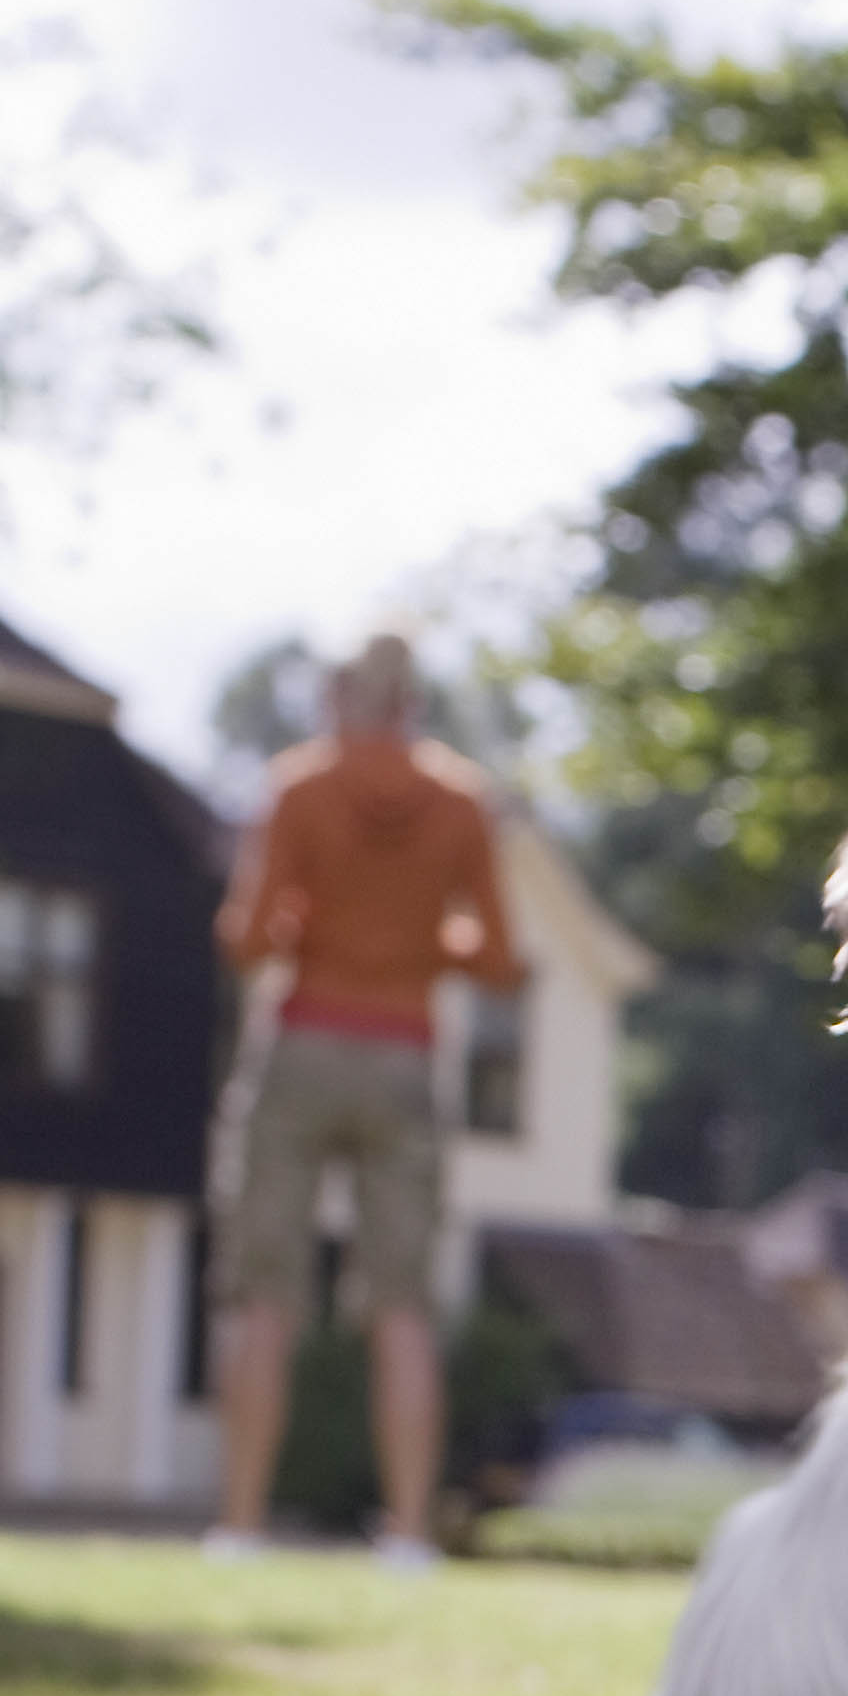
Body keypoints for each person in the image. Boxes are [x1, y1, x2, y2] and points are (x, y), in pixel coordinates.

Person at [204, 632, 521, 1565]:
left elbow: (248, 943)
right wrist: (425, 941)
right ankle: (408, 1535)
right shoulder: (462, 803)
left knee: (265, 1296)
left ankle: (240, 1524)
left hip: (300, 1041)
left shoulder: (298, 789)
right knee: (404, 1307)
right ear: (412, 706)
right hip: (404, 1056)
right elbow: (500, 960)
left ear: (339, 702)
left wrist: (313, 923)